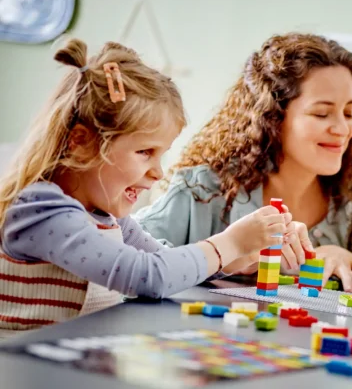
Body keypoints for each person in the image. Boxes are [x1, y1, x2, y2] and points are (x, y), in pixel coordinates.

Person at [0, 38, 308, 337]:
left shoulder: (108, 216)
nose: (157, 173)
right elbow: (147, 275)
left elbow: (166, 260)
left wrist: (236, 259)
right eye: (145, 152)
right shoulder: (42, 210)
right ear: (81, 143)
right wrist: (229, 244)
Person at [134, 33, 352, 292]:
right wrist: (223, 254)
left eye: (349, 112)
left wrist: (351, 259)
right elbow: (128, 259)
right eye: (321, 113)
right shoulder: (202, 191)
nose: (343, 129)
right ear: (273, 117)